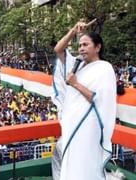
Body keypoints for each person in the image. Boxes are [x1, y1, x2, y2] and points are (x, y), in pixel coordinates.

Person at [52, 20, 117, 180]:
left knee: (85, 162)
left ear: (97, 47)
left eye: (85, 45)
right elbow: (58, 49)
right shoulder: (78, 65)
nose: (81, 49)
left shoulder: (104, 68)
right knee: (72, 161)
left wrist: (75, 84)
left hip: (90, 125)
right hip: (72, 122)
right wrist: (73, 30)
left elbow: (97, 98)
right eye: (80, 45)